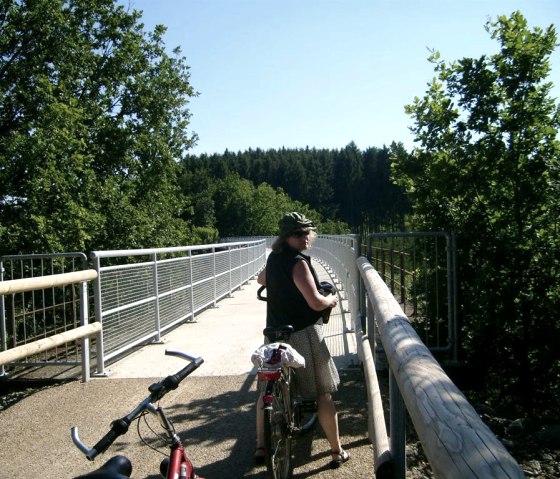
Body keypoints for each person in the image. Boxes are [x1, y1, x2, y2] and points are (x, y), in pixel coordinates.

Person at [254, 212, 351, 469]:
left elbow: (261, 279)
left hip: (274, 334)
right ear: (286, 237)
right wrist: (330, 300)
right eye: (297, 233)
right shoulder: (298, 263)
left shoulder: (275, 258)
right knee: (323, 394)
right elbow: (315, 302)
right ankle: (336, 451)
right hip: (303, 334)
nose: (304, 237)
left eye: (306, 232)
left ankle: (261, 447)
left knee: (266, 392)